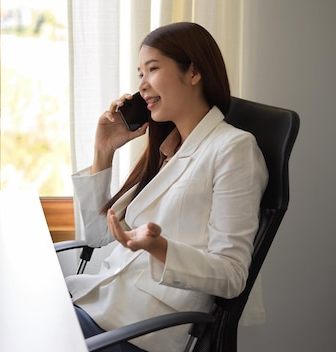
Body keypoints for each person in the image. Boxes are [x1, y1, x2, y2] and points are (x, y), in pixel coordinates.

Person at [67, 22, 268, 352]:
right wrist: (103, 151)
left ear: (193, 73)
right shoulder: (168, 147)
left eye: (153, 69)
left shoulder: (234, 149)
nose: (142, 86)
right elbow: (96, 237)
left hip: (136, 329)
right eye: (139, 74)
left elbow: (232, 276)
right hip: (99, 306)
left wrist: (157, 246)